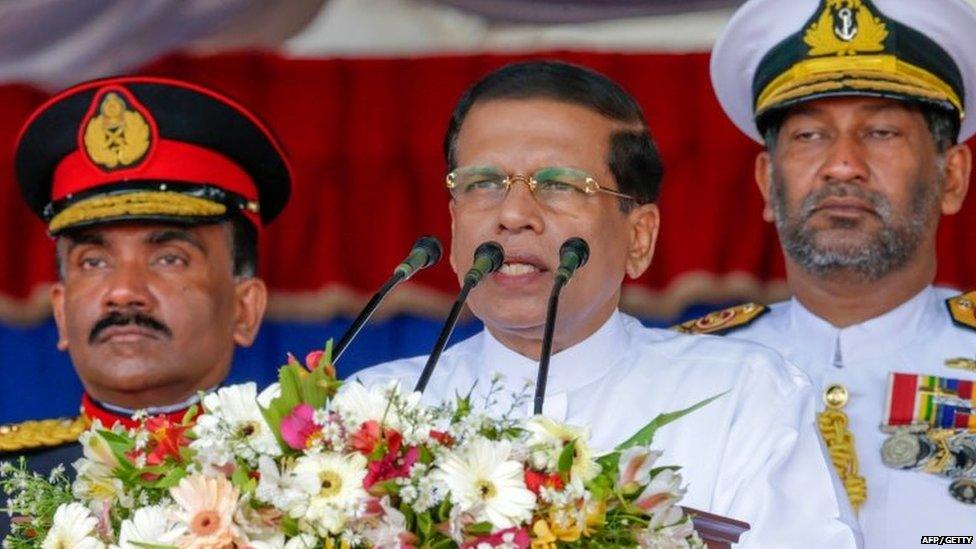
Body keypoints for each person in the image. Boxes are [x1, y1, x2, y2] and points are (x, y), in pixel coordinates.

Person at [352, 60, 860, 547]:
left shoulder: (740, 396)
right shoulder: (371, 408)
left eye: (560, 185)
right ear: (454, 221)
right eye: (483, 183)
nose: (512, 214)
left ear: (639, 238)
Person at [689, 0, 976, 546]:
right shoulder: (687, 376)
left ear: (953, 177)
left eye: (882, 132)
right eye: (809, 136)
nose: (843, 164)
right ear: (767, 183)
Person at [0, 76, 291, 532]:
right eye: (93, 261)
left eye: (169, 258)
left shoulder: (307, 482)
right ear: (59, 312)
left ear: (244, 308)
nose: (123, 291)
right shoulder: (9, 486)